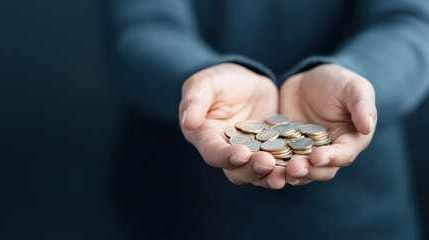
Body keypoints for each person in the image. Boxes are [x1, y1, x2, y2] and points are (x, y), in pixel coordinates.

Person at [108, 0, 429, 239]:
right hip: (180, 199)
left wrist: (360, 81)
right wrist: (194, 80)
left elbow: (410, 19)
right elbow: (143, 23)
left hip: (356, 210)